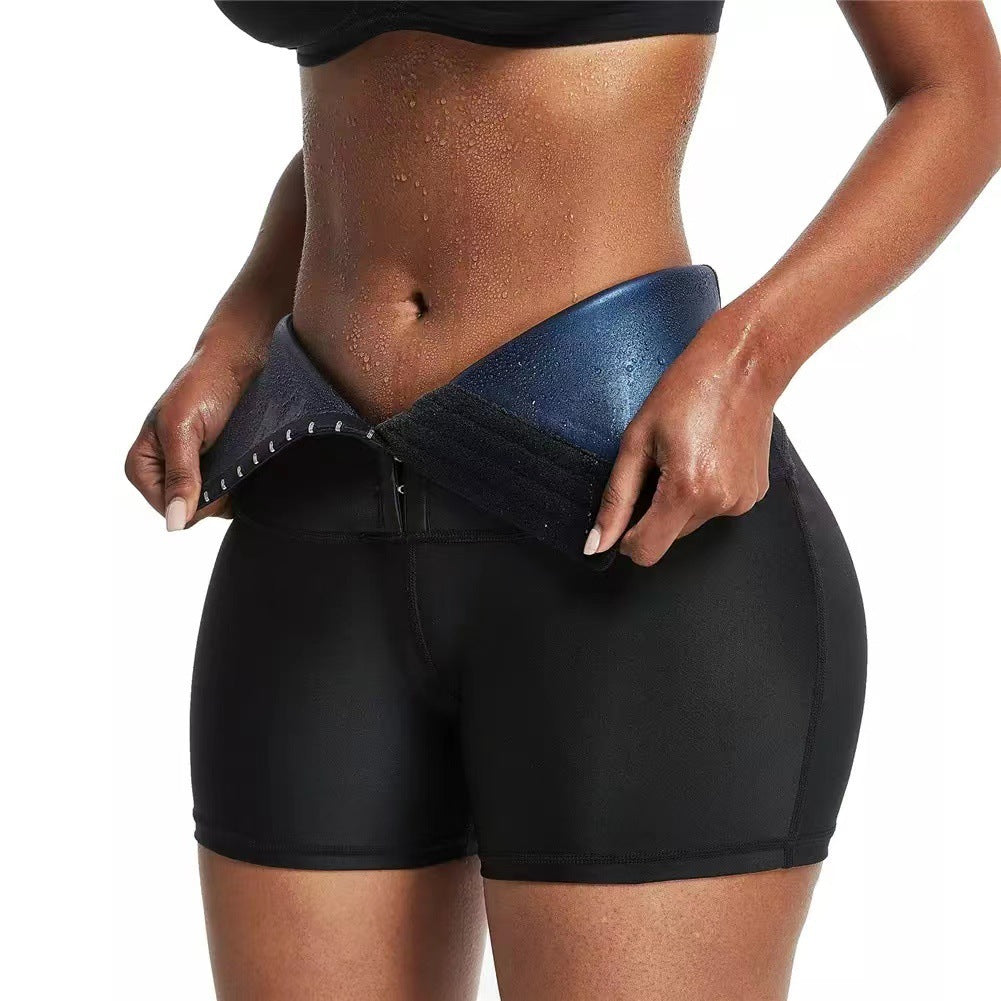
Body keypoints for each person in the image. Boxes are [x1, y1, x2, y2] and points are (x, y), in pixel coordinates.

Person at [125, 3, 1001, 999]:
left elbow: (959, 91)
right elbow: (393, 104)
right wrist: (237, 333)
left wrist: (747, 361)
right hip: (316, 523)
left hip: (628, 532)